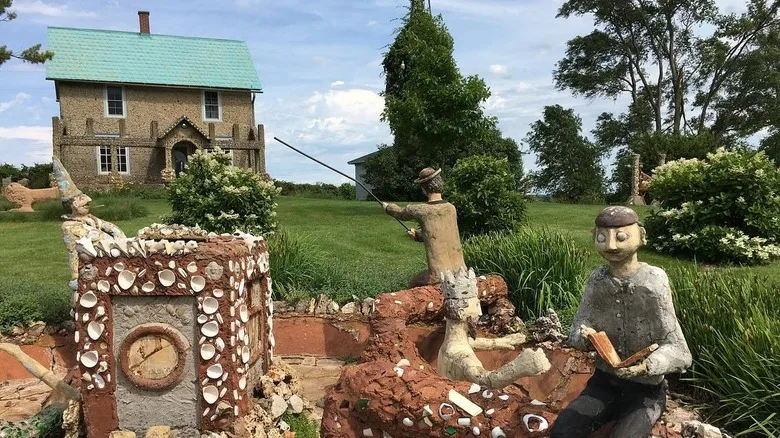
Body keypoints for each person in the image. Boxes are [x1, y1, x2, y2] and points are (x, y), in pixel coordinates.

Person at [550, 206, 692, 438]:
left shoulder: (653, 282)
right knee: (563, 431)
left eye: (621, 237)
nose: (611, 246)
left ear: (641, 236)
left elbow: (679, 350)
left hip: (645, 391)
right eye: (602, 238)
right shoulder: (597, 280)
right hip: (603, 384)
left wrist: (648, 366)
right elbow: (575, 331)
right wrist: (584, 338)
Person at [382, 167, 466, 287]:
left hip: (438, 275)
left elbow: (400, 213)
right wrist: (418, 236)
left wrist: (387, 207)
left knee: (414, 283)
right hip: (461, 271)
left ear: (423, 188)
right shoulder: (450, 208)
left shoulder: (422, 210)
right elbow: (438, 234)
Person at [53, 158, 126, 290]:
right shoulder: (69, 227)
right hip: (98, 260)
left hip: (115, 252)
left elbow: (111, 228)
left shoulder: (90, 218)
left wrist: (121, 238)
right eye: (81, 199)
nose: (89, 200)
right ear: (73, 205)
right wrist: (75, 276)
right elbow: (73, 252)